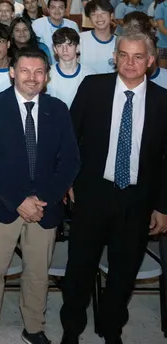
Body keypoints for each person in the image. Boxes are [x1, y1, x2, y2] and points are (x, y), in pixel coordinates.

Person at [60, 31, 167, 344]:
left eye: (138, 56)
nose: (129, 62)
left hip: (137, 200)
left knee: (123, 271)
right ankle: (71, 329)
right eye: (123, 55)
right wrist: (67, 180)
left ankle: (111, 329)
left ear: (150, 61)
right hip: (92, 194)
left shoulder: (163, 101)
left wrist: (162, 205)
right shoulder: (93, 87)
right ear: (114, 57)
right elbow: (69, 138)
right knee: (79, 267)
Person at [0, 48, 80, 344]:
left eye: (38, 72)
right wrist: (19, 200)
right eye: (24, 71)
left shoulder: (58, 109)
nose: (31, 78)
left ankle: (34, 328)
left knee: (38, 273)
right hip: (1, 205)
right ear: (12, 72)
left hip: (44, 207)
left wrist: (44, 199)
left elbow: (70, 160)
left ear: (47, 76)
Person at [46, 27, 93, 108]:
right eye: (60, 45)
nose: (65, 50)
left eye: (69, 45)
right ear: (55, 49)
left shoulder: (90, 75)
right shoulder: (47, 75)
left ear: (77, 48)